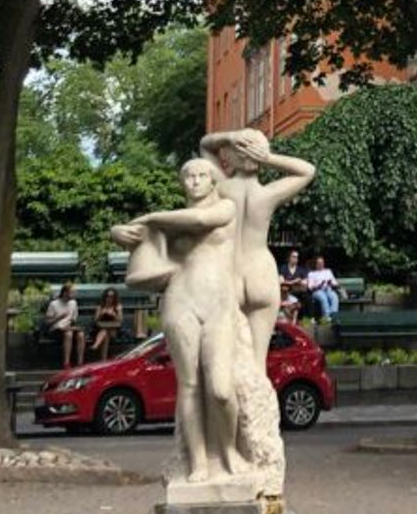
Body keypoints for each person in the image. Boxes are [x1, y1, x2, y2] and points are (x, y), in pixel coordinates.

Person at [110, 158, 244, 482]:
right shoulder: (168, 225)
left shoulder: (225, 208)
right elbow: (139, 249)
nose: (195, 182)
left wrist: (149, 218)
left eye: (202, 176)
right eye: (188, 177)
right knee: (189, 384)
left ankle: (228, 450)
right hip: (180, 300)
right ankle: (198, 460)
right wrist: (118, 230)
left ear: (213, 181)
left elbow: (200, 220)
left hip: (218, 303)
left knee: (221, 389)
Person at [199, 128, 317, 371]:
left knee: (224, 362)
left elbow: (205, 146)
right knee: (256, 366)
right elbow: (308, 170)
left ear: (230, 156)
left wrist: (229, 138)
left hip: (229, 271)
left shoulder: (221, 188)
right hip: (261, 271)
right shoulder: (267, 194)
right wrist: (268, 158)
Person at [44, 281, 84, 368]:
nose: (74, 294)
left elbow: (73, 318)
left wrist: (71, 325)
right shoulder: (54, 304)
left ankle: (80, 362)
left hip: (68, 327)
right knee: (68, 334)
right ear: (65, 292)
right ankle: (66, 362)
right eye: (72, 292)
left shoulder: (73, 303)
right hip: (56, 329)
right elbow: (48, 322)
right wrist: (59, 318)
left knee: (80, 334)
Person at [90, 287, 124, 362]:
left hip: (114, 330)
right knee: (105, 333)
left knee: (106, 332)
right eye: (108, 296)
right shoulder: (100, 307)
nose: (109, 298)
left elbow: (120, 321)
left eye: (112, 296)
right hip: (101, 330)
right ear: (105, 297)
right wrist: (101, 314)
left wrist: (114, 315)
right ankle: (103, 360)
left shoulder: (118, 307)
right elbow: (95, 321)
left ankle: (96, 345)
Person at [303, 253, 340, 321]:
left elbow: (335, 283)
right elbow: (310, 287)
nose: (321, 264)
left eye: (322, 263)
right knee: (323, 298)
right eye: (319, 263)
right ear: (316, 264)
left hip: (328, 289)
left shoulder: (328, 271)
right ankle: (326, 317)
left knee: (334, 296)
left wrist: (331, 283)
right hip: (317, 291)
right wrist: (318, 285)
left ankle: (333, 315)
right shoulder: (312, 274)